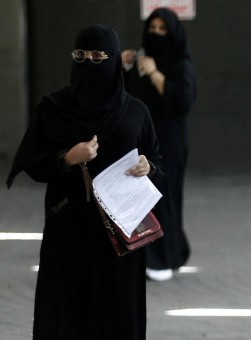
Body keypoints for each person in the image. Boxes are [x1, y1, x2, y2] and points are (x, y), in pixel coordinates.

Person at [5, 24, 162, 339]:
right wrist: (66, 158)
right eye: (81, 55)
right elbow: (31, 163)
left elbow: (157, 159)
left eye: (98, 56)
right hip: (70, 229)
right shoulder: (54, 109)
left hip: (120, 234)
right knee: (67, 309)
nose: (88, 62)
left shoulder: (135, 111)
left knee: (118, 312)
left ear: (114, 59)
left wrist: (149, 167)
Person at [121, 7, 196, 281]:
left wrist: (154, 73)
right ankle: (151, 252)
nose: (156, 34)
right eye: (152, 28)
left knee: (166, 197)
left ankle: (166, 256)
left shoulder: (180, 64)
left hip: (170, 141)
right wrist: (125, 66)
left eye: (163, 29)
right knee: (145, 198)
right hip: (144, 142)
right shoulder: (142, 59)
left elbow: (181, 101)